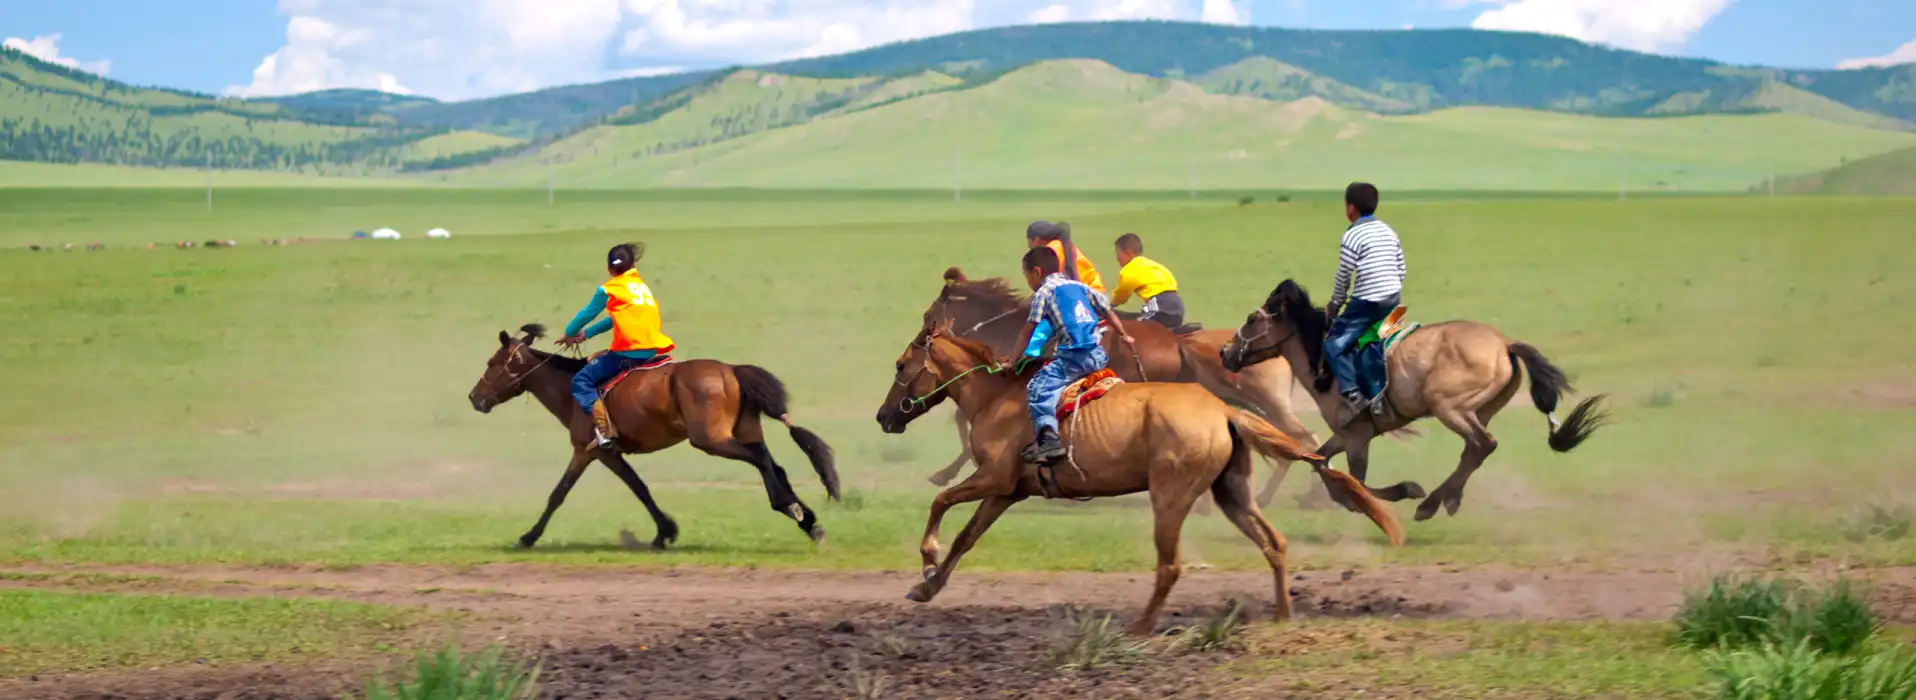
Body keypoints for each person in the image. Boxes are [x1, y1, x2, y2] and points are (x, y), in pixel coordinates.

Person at [1006, 246, 1132, 463]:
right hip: (1098, 355)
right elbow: (1107, 311)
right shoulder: (1080, 286)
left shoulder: (1043, 293)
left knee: (1038, 387)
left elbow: (1028, 331)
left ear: (1037, 271)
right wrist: (1124, 335)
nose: (1027, 280)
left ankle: (1049, 440)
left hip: (1075, 358)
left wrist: (1012, 360)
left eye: (1026, 274)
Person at [557, 243, 676, 449]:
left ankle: (605, 430)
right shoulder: (641, 287)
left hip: (629, 352)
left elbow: (587, 314)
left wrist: (569, 333)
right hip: (651, 348)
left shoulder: (609, 288)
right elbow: (616, 318)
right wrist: (587, 334)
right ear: (633, 265)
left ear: (610, 269)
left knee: (581, 381)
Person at [1323, 182, 1407, 423]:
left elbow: (1343, 276)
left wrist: (1335, 304)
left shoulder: (1352, 235)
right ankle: (1378, 391)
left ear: (1350, 209)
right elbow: (1401, 267)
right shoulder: (1388, 231)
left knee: (1334, 344)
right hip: (1393, 299)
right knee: (1375, 340)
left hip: (1368, 301)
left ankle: (1354, 394)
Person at [1109, 232, 1184, 329]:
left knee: (1134, 329)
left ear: (1128, 253)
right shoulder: (1154, 265)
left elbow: (1121, 296)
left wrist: (1109, 305)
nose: (1117, 258)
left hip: (1159, 306)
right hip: (1178, 307)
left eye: (1118, 254)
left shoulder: (1130, 269)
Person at [1025, 221, 1105, 294]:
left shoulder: (1051, 251)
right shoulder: (1061, 245)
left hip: (1086, 295)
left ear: (1036, 240)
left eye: (1029, 242)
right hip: (1094, 292)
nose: (1029, 247)